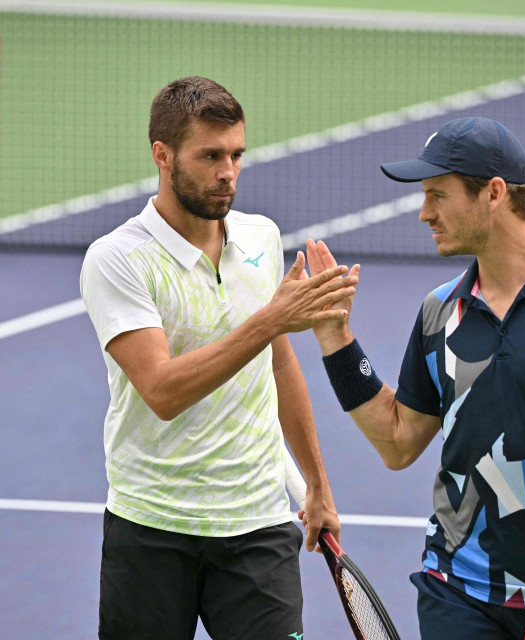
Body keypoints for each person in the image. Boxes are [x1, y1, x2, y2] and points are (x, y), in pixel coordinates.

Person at [305, 116, 525, 639]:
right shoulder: (439, 311)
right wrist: (334, 339)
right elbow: (397, 442)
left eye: (438, 195)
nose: (424, 213)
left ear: (494, 193)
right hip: (456, 587)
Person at [80, 76, 356, 640]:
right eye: (209, 155)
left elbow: (278, 365)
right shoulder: (118, 260)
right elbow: (162, 390)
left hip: (258, 526)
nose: (227, 171)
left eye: (236, 155)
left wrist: (317, 485)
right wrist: (272, 318)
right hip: (151, 528)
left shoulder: (261, 238)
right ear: (163, 155)